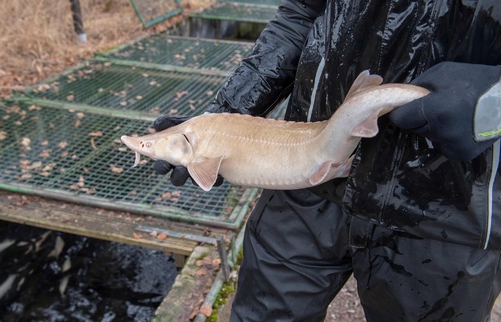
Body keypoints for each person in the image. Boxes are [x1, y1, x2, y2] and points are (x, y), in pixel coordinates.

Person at [153, 1, 501, 321]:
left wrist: (492, 99)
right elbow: (299, 16)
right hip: (302, 175)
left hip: (448, 202)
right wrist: (218, 121)